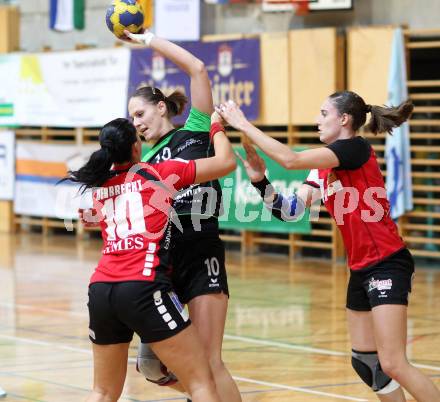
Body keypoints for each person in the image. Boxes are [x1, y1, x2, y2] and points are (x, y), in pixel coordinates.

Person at [216, 92, 440, 402]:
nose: (316, 120)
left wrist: (242, 123)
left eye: (323, 113)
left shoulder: (354, 149)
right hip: (361, 268)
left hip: (387, 262)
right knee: (367, 363)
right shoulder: (322, 167)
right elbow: (289, 212)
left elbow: (290, 159)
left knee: (393, 362)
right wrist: (259, 181)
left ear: (344, 119)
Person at [65, 116, 236, 402]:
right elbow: (226, 162)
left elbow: (109, 215)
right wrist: (215, 127)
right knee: (201, 382)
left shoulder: (100, 188)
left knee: (103, 392)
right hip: (141, 287)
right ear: (136, 146)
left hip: (101, 289)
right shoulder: (158, 173)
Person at [125, 30, 241, 402]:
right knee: (151, 366)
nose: (136, 123)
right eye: (131, 119)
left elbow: (198, 68)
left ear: (160, 107)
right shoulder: (141, 162)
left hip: (201, 249)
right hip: (163, 262)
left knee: (208, 361)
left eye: (140, 113)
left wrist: (148, 40)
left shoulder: (193, 131)